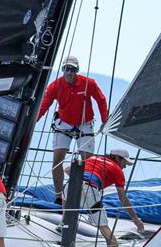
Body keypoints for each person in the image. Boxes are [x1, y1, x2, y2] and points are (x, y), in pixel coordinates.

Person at [37, 56, 109, 204]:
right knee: (57, 159)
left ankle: (84, 195)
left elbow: (101, 100)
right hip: (64, 123)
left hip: (85, 123)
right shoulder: (54, 86)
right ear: (63, 69)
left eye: (73, 69)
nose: (69, 72)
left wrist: (104, 121)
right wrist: (32, 124)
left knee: (88, 162)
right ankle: (58, 196)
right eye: (66, 69)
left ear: (77, 70)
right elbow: (43, 106)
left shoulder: (88, 83)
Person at [74, 147, 145, 247]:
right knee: (105, 229)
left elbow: (67, 170)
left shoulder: (92, 158)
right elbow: (122, 198)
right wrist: (135, 219)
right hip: (89, 189)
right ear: (118, 158)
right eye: (125, 163)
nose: (125, 166)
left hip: (71, 186)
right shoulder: (117, 170)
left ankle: (64, 222)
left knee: (66, 200)